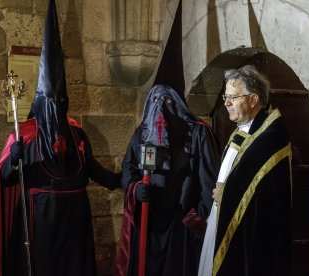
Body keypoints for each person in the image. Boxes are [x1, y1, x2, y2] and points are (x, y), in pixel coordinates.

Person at [0, 1, 120, 275]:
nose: (55, 105)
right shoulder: (25, 135)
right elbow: (5, 179)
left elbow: (93, 170)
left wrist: (122, 179)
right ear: (41, 101)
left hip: (75, 221)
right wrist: (12, 160)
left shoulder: (76, 133)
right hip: (40, 221)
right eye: (50, 100)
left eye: (60, 99)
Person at [116, 1, 220, 275]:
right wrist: (135, 188)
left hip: (180, 228)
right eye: (156, 99)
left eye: (167, 100)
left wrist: (194, 221)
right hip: (148, 223)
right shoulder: (143, 133)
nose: (161, 107)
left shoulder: (198, 133)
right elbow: (128, 169)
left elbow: (210, 184)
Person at [199, 65, 292, 275]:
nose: (226, 102)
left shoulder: (270, 138)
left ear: (253, 99)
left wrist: (227, 193)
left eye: (233, 97)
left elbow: (268, 196)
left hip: (249, 231)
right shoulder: (240, 132)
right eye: (226, 95)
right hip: (221, 214)